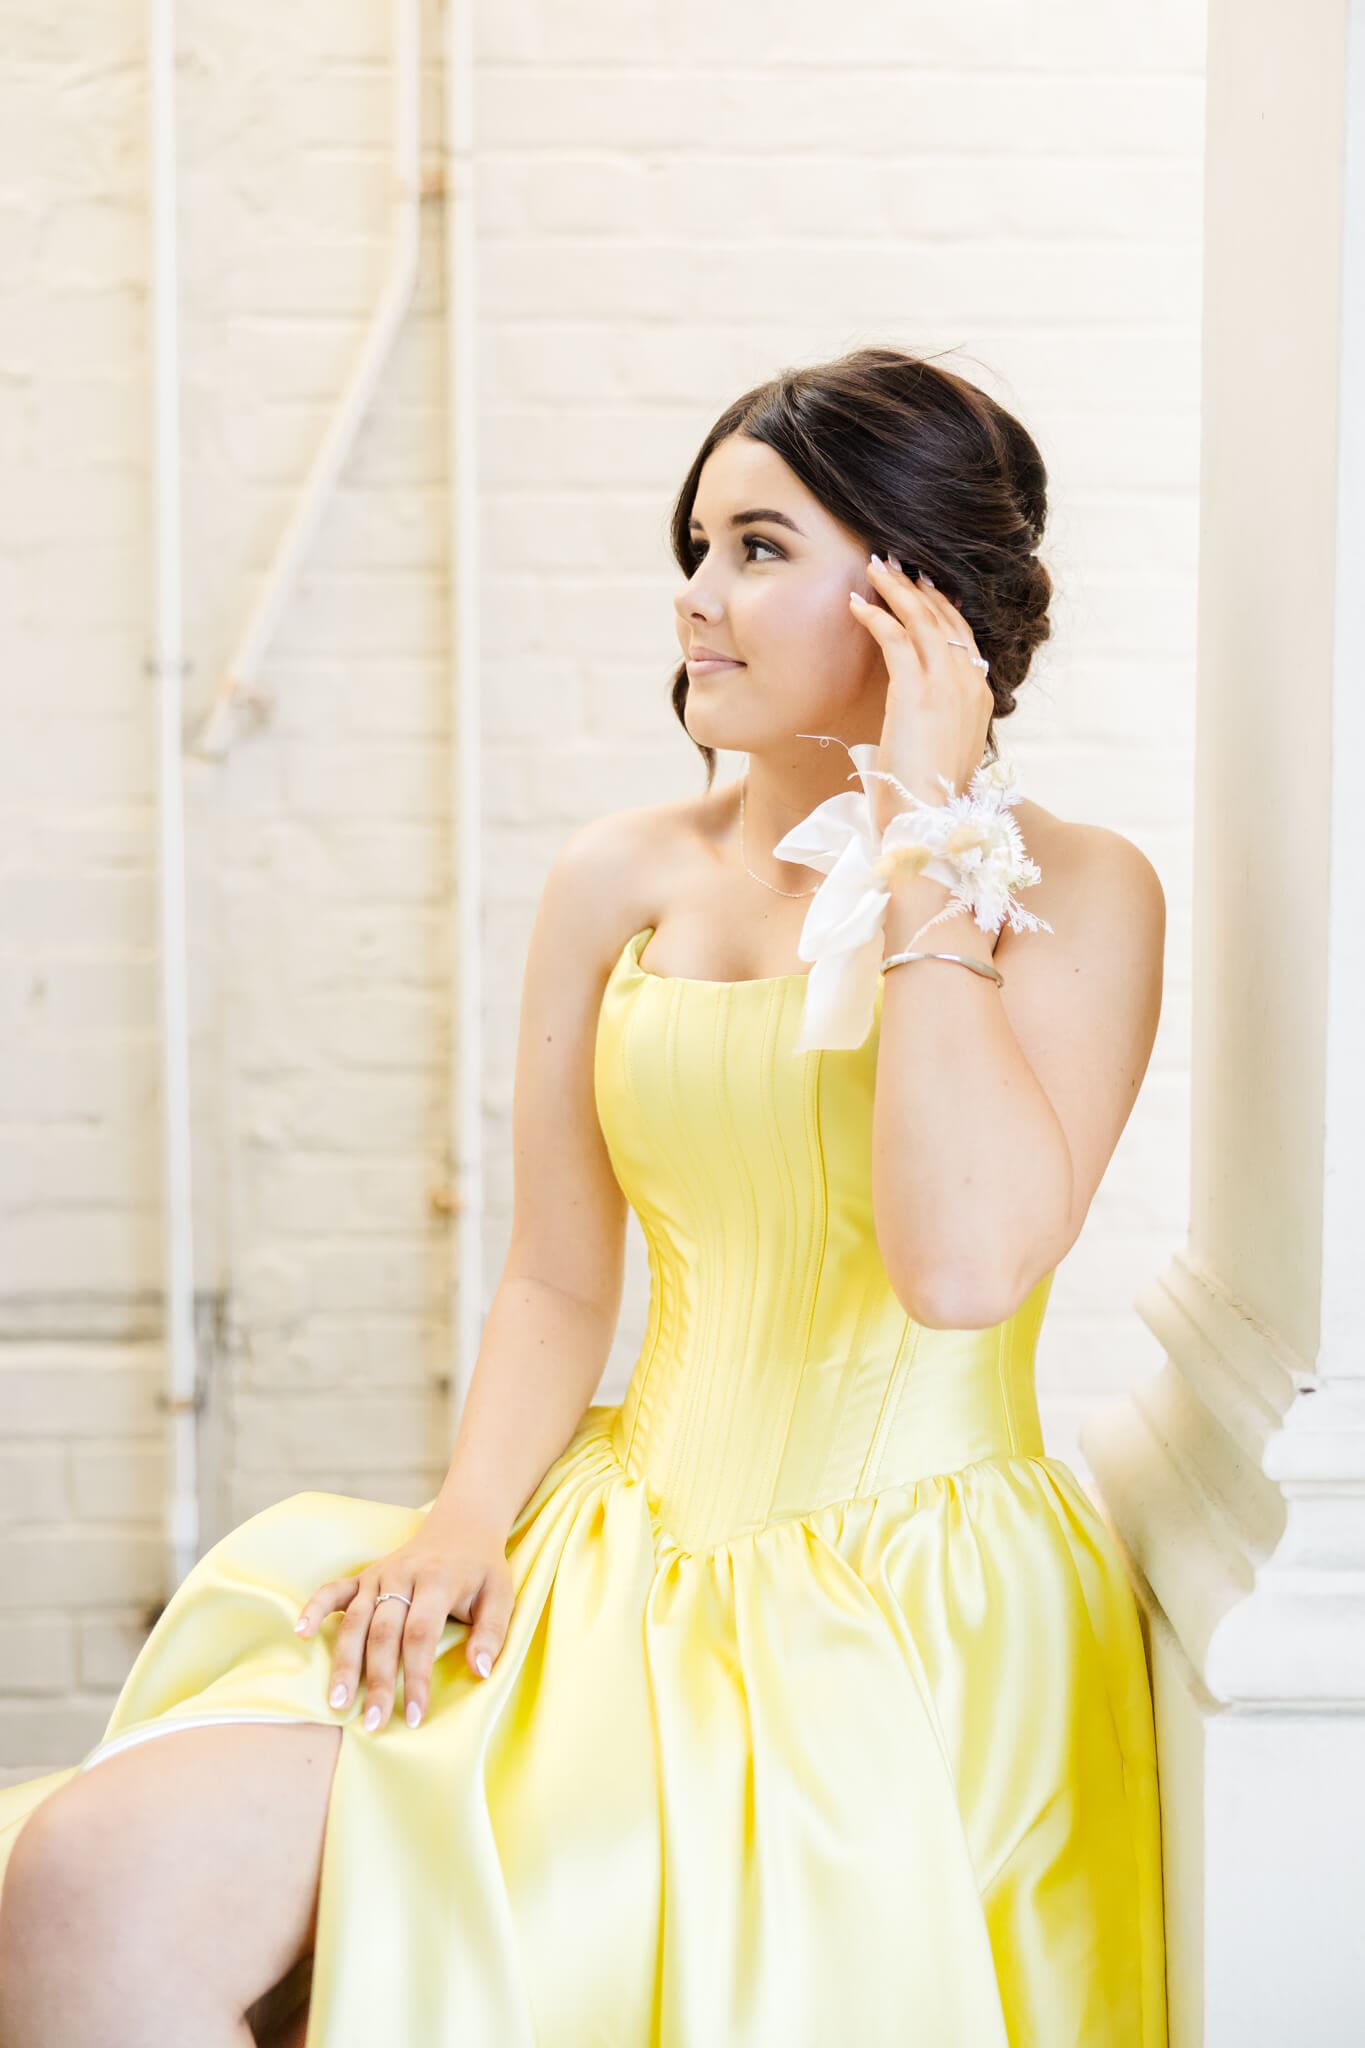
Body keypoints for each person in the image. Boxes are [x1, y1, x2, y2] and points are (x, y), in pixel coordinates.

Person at [0, 344, 1169, 2045]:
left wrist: (926, 835)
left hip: (897, 1612)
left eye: (759, 551)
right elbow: (557, 1275)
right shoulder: (621, 873)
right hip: (608, 1543)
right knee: (92, 1880)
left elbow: (962, 1266)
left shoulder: (1076, 890)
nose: (696, 600)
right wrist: (467, 1518)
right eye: (696, 547)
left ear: (918, 596)